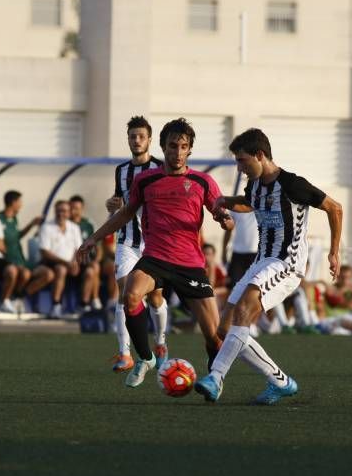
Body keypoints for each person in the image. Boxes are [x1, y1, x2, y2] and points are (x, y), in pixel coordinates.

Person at [76, 117, 234, 387]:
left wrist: (225, 220)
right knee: (131, 295)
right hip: (156, 257)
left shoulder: (202, 181)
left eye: (184, 146)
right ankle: (146, 357)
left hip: (189, 264)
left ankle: (214, 380)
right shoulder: (146, 180)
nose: (178, 152)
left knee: (214, 336)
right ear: (163, 147)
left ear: (190, 150)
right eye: (173, 146)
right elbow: (125, 213)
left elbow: (224, 215)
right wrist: (94, 238)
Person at [194, 127, 343, 405]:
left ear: (259, 155)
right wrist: (226, 201)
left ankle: (216, 377)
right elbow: (249, 204)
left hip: (287, 264)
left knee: (244, 309)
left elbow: (335, 208)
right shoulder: (255, 185)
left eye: (242, 161)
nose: (239, 167)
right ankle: (280, 381)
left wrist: (334, 253)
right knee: (224, 330)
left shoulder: (293, 184)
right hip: (262, 262)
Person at [103, 116, 168, 373]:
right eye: (133, 136)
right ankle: (125, 353)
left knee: (154, 298)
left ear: (150, 140)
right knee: (124, 292)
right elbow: (119, 201)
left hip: (153, 243)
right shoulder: (121, 170)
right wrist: (112, 204)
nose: (137, 140)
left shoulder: (161, 168)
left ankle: (160, 342)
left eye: (141, 136)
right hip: (127, 241)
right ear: (128, 139)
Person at [25, 200, 89, 318]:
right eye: (58, 211)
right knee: (61, 269)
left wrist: (74, 262)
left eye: (64, 211)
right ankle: (56, 305)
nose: (61, 214)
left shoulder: (74, 228)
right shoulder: (46, 227)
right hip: (51, 263)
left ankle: (85, 305)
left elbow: (78, 249)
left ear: (69, 213)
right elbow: (45, 252)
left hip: (70, 263)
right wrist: (67, 263)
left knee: (92, 270)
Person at [0, 190, 43, 310]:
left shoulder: (14, 219)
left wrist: (31, 224)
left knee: (40, 274)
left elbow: (17, 236)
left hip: (19, 258)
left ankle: (15, 298)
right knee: (24, 274)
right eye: (20, 201)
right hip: (7, 260)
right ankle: (5, 300)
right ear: (13, 202)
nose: (21, 205)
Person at [69, 194, 102, 311]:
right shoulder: (67, 224)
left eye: (76, 208)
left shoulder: (88, 224)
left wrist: (97, 259)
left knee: (92, 269)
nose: (73, 211)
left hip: (88, 261)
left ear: (82, 208)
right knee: (92, 269)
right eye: (71, 208)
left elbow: (98, 247)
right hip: (74, 262)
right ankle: (93, 299)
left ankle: (87, 303)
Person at [203, 242, 229, 309]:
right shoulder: (199, 270)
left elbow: (227, 288)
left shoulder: (220, 268)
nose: (206, 257)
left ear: (214, 255)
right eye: (204, 254)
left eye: (208, 254)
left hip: (218, 298)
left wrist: (212, 268)